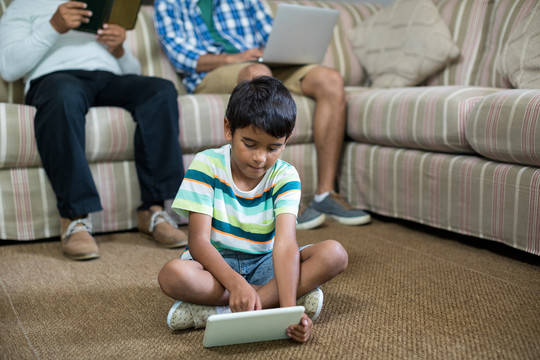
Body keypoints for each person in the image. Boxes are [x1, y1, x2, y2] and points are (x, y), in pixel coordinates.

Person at [158, 76, 348, 343]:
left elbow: (285, 245)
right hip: (215, 267)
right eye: (250, 144)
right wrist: (237, 285)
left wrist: (288, 313)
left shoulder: (285, 176)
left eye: (273, 148)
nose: (260, 158)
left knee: (335, 254)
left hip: (264, 264)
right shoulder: (206, 165)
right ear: (228, 129)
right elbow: (198, 243)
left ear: (287, 139)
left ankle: (227, 309)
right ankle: (270, 299)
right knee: (172, 275)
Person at [154, 0, 372, 230]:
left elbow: (271, 35)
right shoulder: (169, 3)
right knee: (258, 74)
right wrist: (233, 58)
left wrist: (281, 51)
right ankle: (273, 195)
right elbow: (182, 56)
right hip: (212, 71)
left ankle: (325, 194)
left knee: (330, 80)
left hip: (264, 64)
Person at [0, 0, 187, 261]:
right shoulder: (23, 6)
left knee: (161, 90)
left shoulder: (99, 6)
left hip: (107, 78)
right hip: (55, 79)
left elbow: (133, 72)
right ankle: (75, 217)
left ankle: (154, 210)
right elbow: (8, 68)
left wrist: (120, 50)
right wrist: (53, 26)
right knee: (62, 97)